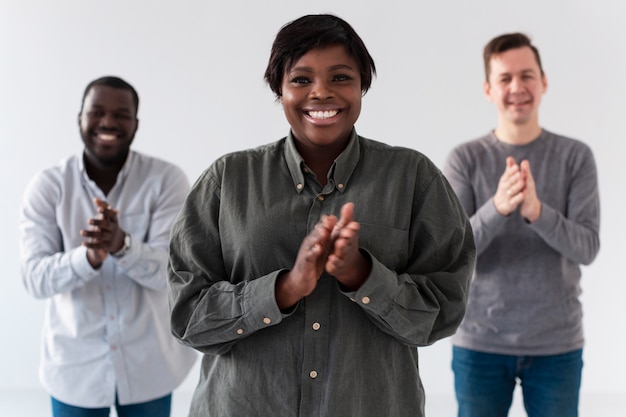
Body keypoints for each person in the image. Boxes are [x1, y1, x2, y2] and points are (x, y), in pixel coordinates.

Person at [167, 14, 475, 417]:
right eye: (301, 79)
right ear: (279, 88)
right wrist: (284, 289)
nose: (322, 93)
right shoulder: (226, 180)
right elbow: (187, 316)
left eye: (341, 77)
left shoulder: (414, 178)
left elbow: (444, 311)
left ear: (362, 85)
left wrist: (363, 275)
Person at [19, 76, 197, 417]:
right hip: (75, 366)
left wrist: (122, 245)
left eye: (121, 114)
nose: (108, 122)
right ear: (80, 118)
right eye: (97, 112)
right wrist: (88, 257)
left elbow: (174, 275)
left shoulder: (166, 181)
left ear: (135, 124)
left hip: (150, 363)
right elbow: (33, 278)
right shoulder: (48, 186)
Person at [443, 33, 600, 417]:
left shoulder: (575, 157)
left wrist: (536, 211)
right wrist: (499, 207)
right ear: (488, 89)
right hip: (479, 341)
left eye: (527, 76)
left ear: (543, 82)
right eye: (505, 78)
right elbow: (449, 252)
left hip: (556, 344)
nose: (517, 87)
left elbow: (587, 248)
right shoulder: (465, 159)